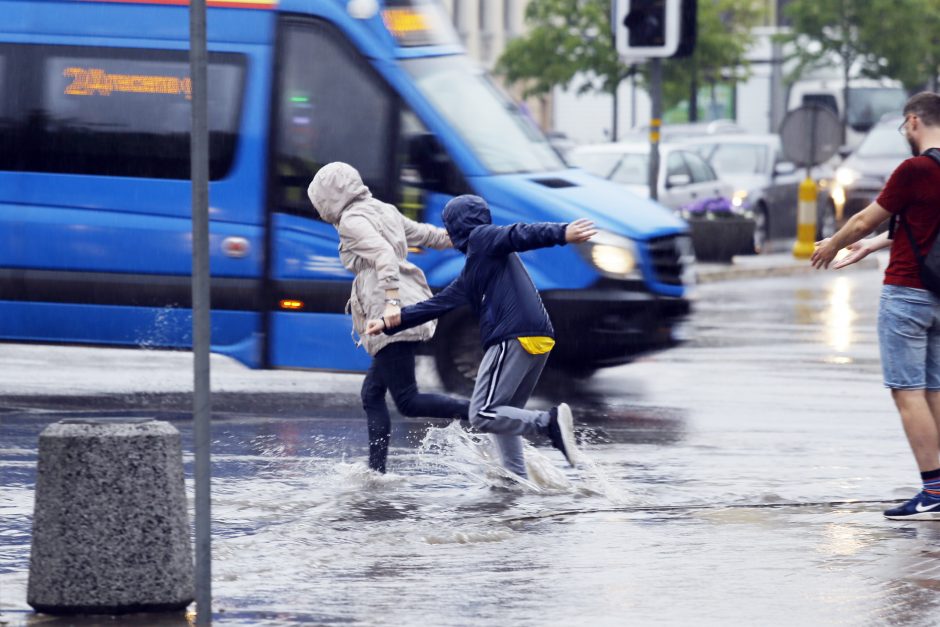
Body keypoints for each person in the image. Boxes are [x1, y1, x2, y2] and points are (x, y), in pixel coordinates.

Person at [365, 194, 597, 478]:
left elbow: (518, 234)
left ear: (459, 225)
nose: (448, 233)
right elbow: (439, 304)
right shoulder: (476, 267)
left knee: (482, 414)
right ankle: (514, 478)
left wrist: (562, 233)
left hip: (512, 336)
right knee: (503, 415)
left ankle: (548, 423)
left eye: (449, 226)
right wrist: (391, 323)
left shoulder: (482, 238)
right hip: (536, 338)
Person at [812, 91, 940, 520]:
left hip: (907, 293)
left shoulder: (914, 168)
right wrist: (874, 245)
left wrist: (833, 244)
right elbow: (922, 227)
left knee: (908, 394)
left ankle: (934, 489)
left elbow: (868, 216)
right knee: (935, 390)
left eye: (905, 127)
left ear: (913, 122)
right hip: (938, 295)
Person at [307, 162, 469, 474]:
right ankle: (376, 471)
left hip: (389, 311)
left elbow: (382, 254)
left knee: (408, 401)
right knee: (372, 393)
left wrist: (392, 303)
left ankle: (480, 412)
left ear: (330, 198)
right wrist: (461, 238)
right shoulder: (382, 209)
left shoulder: (352, 221)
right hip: (402, 303)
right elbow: (424, 234)